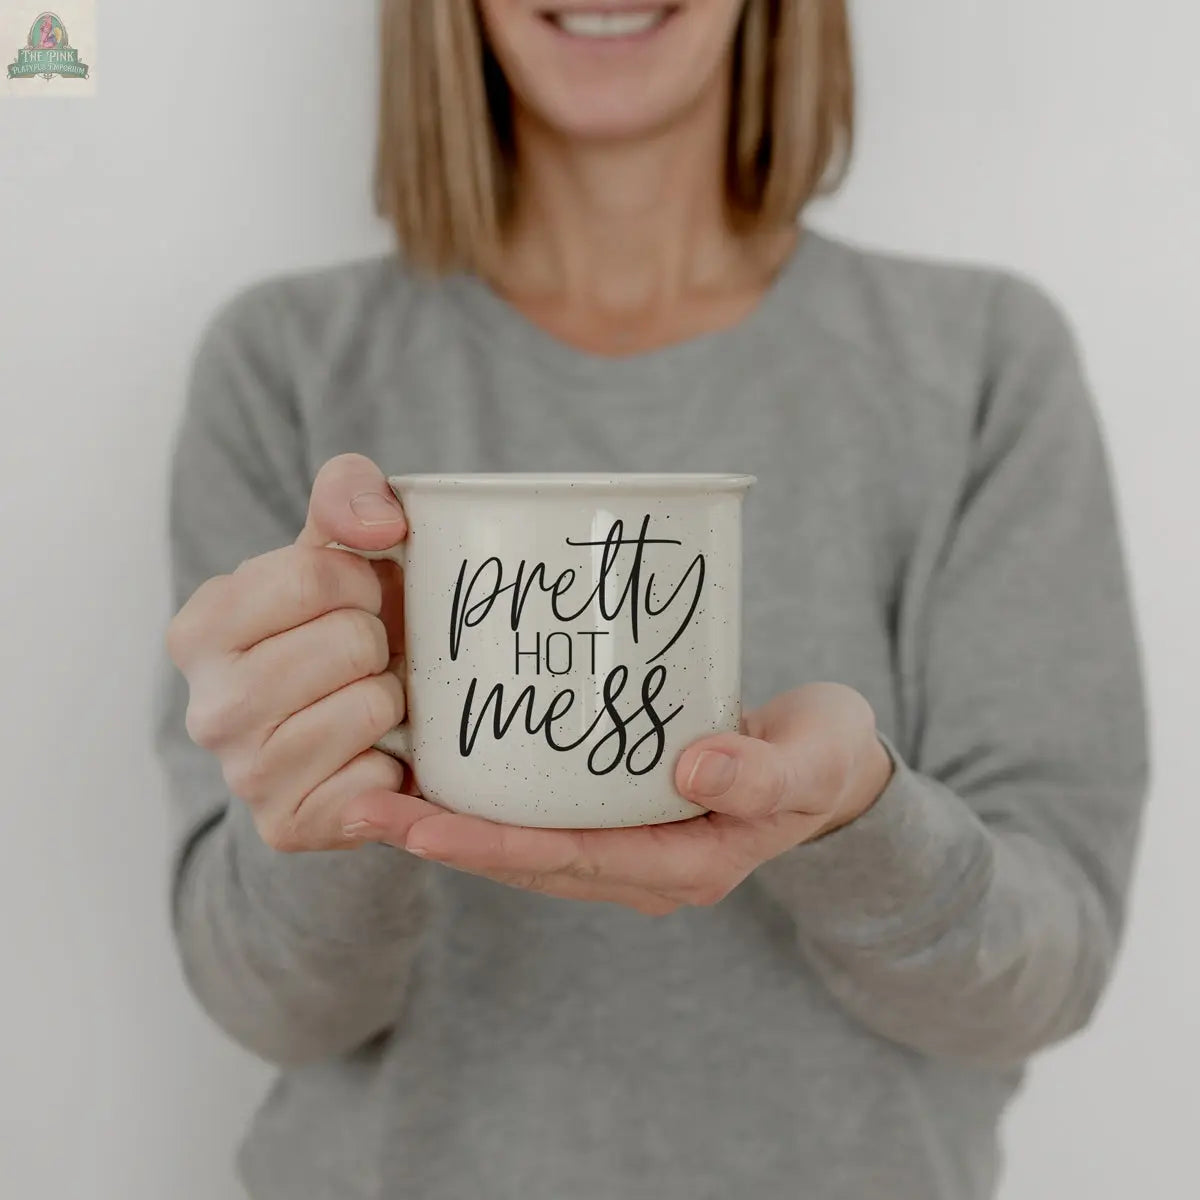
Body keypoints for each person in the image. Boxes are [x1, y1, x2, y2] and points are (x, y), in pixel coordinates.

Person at [156, 2, 1149, 1198]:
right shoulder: (284, 366)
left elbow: (1049, 975)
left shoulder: (983, 362)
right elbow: (271, 1007)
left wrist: (857, 823)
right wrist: (333, 806)